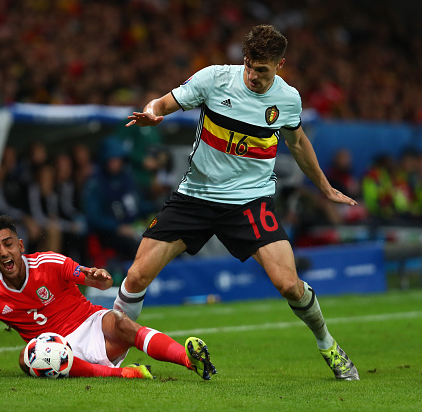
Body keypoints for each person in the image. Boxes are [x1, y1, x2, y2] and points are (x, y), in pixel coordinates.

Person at [114, 24, 359, 381]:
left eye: (262, 70)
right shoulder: (214, 79)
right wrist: (152, 112)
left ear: (280, 65)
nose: (253, 76)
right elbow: (162, 103)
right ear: (244, 59)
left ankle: (327, 344)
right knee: (136, 277)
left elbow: (298, 143)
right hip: (195, 197)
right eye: (249, 66)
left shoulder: (287, 99)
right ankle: (111, 357)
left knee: (289, 285)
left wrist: (324, 186)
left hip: (249, 202)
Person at [0, 215, 216, 380]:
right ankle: (122, 375)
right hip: (56, 351)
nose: (4, 252)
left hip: (92, 328)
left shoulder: (49, 262)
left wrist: (96, 276)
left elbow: (88, 276)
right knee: (26, 357)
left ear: (20, 245)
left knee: (120, 322)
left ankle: (190, 360)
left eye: (8, 244)